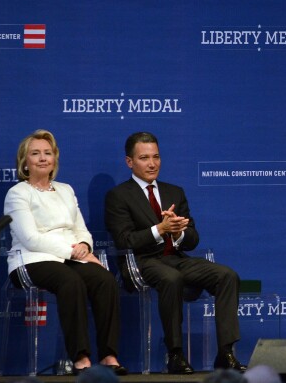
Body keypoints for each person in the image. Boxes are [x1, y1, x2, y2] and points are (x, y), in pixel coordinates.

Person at [104, 131, 247, 374]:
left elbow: (193, 238)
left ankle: (225, 352)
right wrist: (160, 229)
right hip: (141, 261)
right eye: (144, 158)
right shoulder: (118, 196)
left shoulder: (174, 192)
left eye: (156, 157)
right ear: (130, 162)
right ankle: (175, 353)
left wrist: (178, 232)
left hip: (176, 258)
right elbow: (124, 240)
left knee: (227, 275)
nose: (152, 164)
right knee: (172, 279)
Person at [4, 129, 127, 375]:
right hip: (31, 259)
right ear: (24, 162)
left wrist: (85, 246)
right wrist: (75, 253)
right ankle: (80, 358)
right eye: (35, 153)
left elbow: (81, 229)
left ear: (55, 159)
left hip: (69, 257)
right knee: (70, 281)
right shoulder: (18, 193)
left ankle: (108, 354)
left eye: (47, 153)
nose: (42, 158)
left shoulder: (65, 189)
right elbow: (30, 238)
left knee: (104, 280)